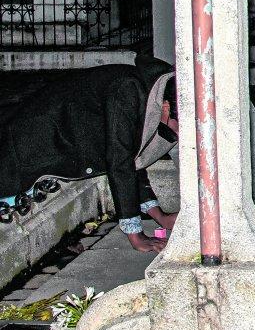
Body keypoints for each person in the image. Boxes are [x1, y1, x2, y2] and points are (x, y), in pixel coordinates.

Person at [0, 57, 179, 252]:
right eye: (178, 128)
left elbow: (133, 158)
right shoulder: (128, 90)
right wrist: (135, 234)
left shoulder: (151, 90)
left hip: (56, 136)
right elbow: (120, 160)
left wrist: (159, 216)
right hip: (33, 139)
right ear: (167, 108)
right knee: (9, 191)